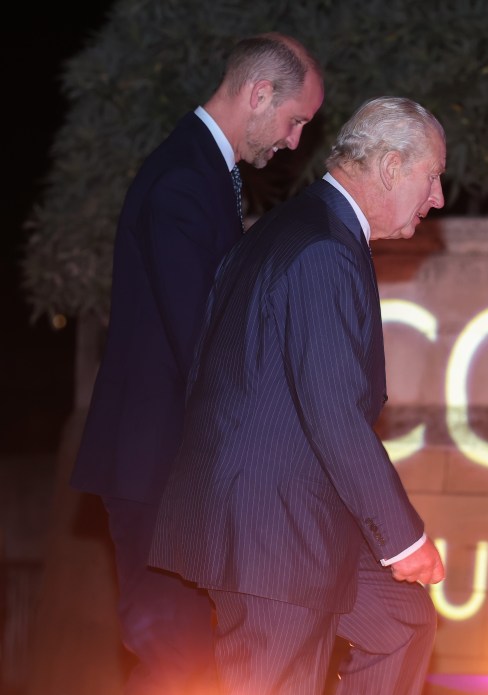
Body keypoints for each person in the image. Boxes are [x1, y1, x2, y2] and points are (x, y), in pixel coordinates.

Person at [148, 95, 447, 695]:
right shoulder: (323, 248)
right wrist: (403, 536)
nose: (439, 198)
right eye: (433, 177)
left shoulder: (299, 226)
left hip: (290, 511)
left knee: (402, 622)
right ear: (391, 166)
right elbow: (334, 412)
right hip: (272, 531)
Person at [70, 32, 324, 694]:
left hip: (165, 465)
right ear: (258, 93)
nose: (295, 142)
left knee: (178, 655)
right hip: (155, 465)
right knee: (173, 654)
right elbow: (201, 338)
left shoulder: (204, 170)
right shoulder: (187, 177)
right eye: (295, 121)